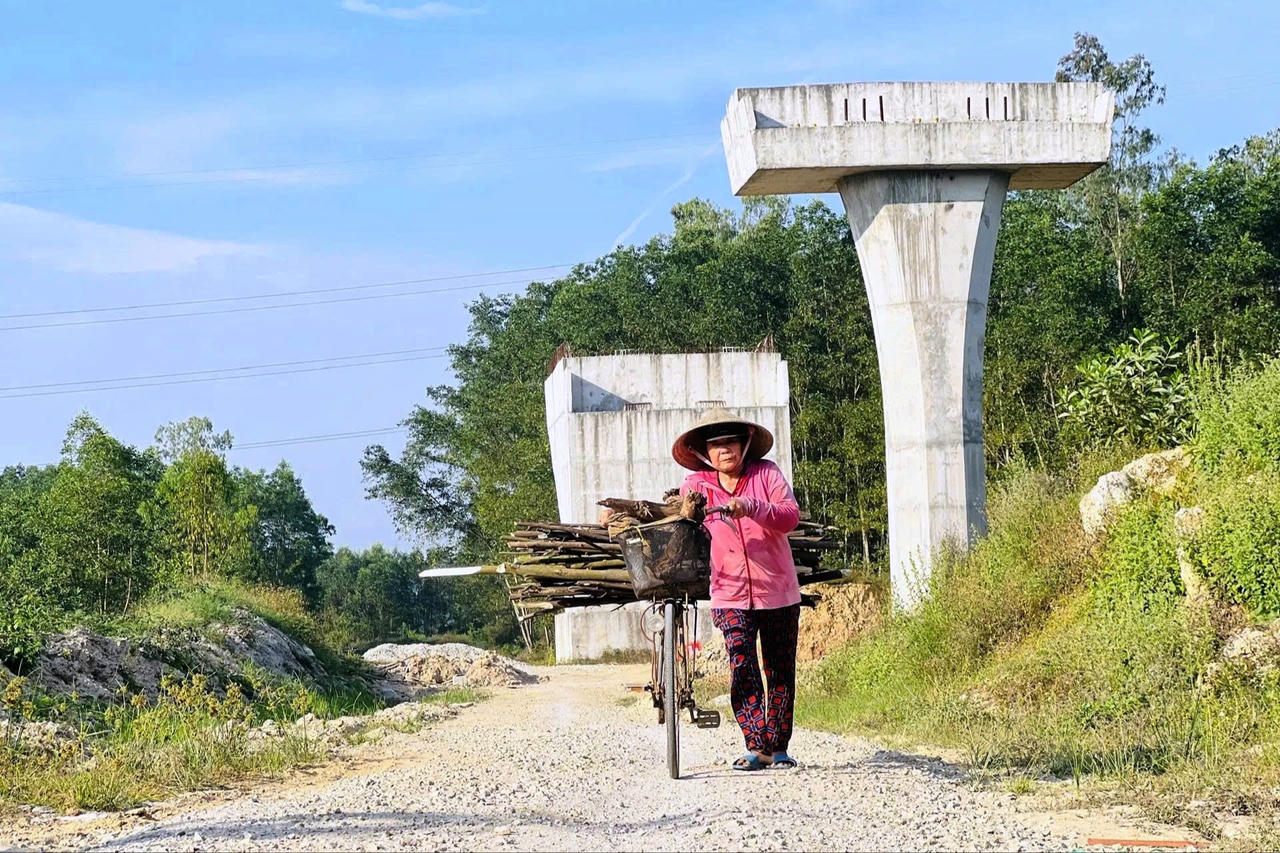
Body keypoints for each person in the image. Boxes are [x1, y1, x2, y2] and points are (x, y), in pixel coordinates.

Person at [673, 407, 801, 771]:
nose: (724, 450)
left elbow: (789, 515)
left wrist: (752, 507)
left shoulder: (767, 474)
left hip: (778, 589)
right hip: (728, 592)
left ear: (745, 445)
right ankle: (755, 745)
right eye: (715, 445)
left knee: (778, 668)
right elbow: (686, 526)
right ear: (704, 453)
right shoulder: (696, 487)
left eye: (730, 442)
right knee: (741, 663)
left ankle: (778, 748)